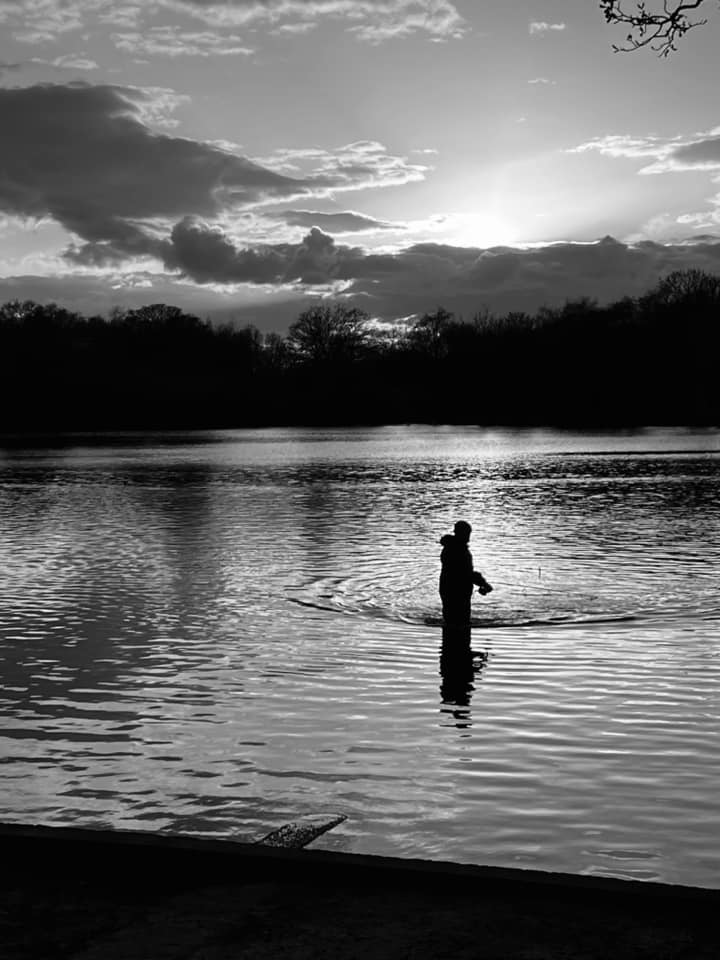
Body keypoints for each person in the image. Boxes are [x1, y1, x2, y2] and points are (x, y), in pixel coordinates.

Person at [439, 520, 492, 626]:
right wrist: (484, 584)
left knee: (450, 622)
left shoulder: (450, 547)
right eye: (467, 533)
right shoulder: (459, 550)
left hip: (448, 589)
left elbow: (465, 573)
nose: (468, 537)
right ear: (459, 533)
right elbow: (465, 574)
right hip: (458, 591)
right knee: (461, 622)